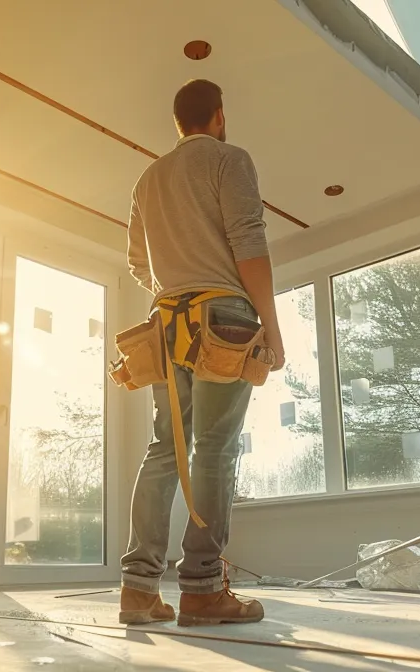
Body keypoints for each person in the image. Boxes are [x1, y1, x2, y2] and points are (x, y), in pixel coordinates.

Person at [118, 79, 285, 627]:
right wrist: (272, 327)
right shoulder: (230, 160)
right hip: (224, 322)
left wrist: (176, 284)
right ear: (218, 115)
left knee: (165, 450)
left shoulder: (148, 179)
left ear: (177, 123)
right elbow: (249, 244)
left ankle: (139, 590)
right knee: (213, 450)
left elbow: (140, 265)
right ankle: (203, 590)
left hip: (167, 324)